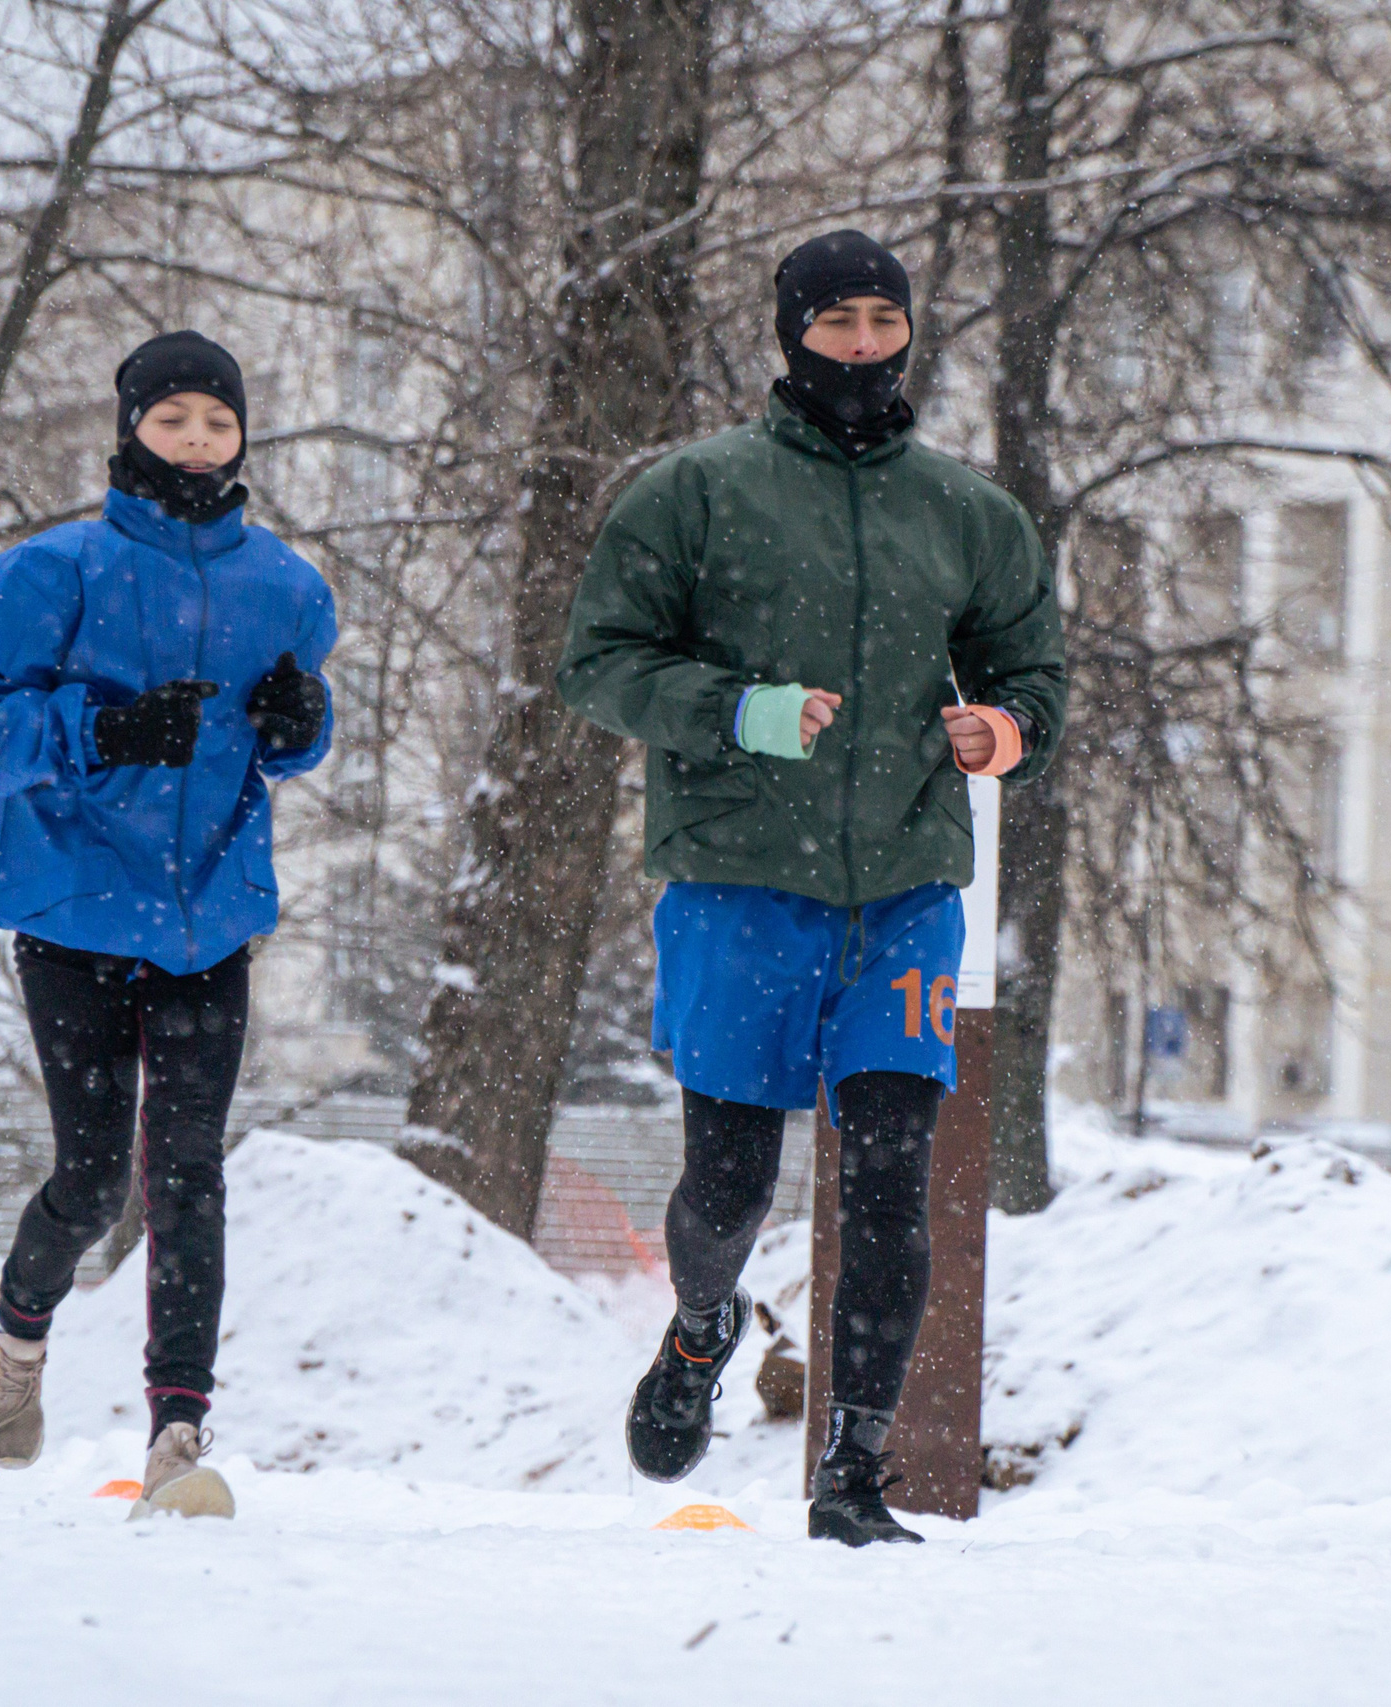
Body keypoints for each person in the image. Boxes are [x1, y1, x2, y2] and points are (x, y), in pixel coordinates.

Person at [558, 230, 1065, 1546]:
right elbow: (599, 664)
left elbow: (1034, 673)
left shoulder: (967, 512)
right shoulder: (696, 492)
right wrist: (741, 711)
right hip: (738, 879)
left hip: (904, 882)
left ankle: (854, 1474)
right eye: (836, 323)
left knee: (891, 1172)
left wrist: (1003, 731)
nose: (861, 348)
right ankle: (703, 1320)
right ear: (791, 333)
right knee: (730, 1180)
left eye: (882, 322)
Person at [0, 330, 335, 1519]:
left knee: (189, 1174)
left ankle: (178, 1437)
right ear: (130, 429)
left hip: (211, 914)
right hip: (76, 907)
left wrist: (297, 718)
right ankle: (14, 1329)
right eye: (174, 421)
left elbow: (296, 737)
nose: (199, 442)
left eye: (219, 420)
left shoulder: (288, 588)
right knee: (98, 1175)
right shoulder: (47, 574)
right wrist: (97, 733)